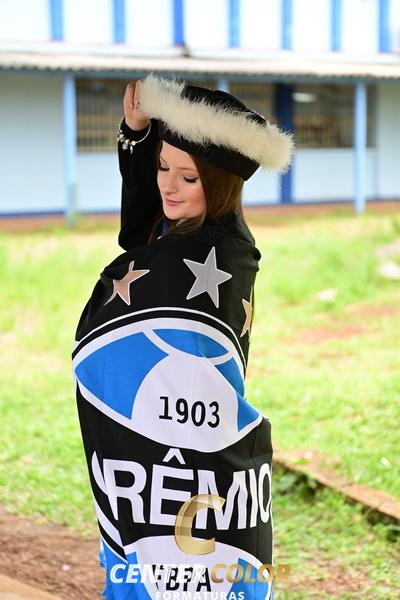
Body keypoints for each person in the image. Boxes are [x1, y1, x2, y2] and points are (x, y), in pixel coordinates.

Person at [72, 73, 294, 600]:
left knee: (185, 556)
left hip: (198, 433)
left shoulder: (220, 253)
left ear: (219, 183)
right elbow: (139, 228)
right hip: (152, 430)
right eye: (162, 167)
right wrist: (136, 133)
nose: (168, 187)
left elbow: (137, 248)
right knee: (147, 538)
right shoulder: (193, 227)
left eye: (187, 177)